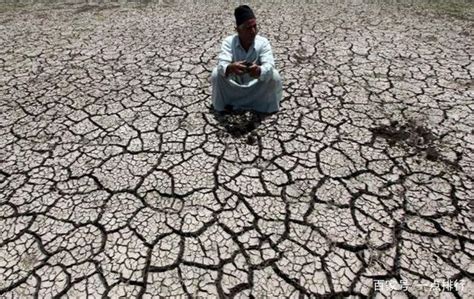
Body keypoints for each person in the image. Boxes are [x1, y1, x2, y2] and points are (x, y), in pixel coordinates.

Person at [211, 5, 282, 114]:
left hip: (256, 86)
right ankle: (223, 107)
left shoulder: (263, 42)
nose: (253, 31)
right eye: (248, 28)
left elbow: (269, 65)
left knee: (274, 75)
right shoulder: (229, 42)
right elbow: (222, 65)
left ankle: (264, 106)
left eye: (255, 26)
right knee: (216, 73)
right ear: (238, 30)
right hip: (236, 85)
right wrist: (230, 68)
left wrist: (259, 70)